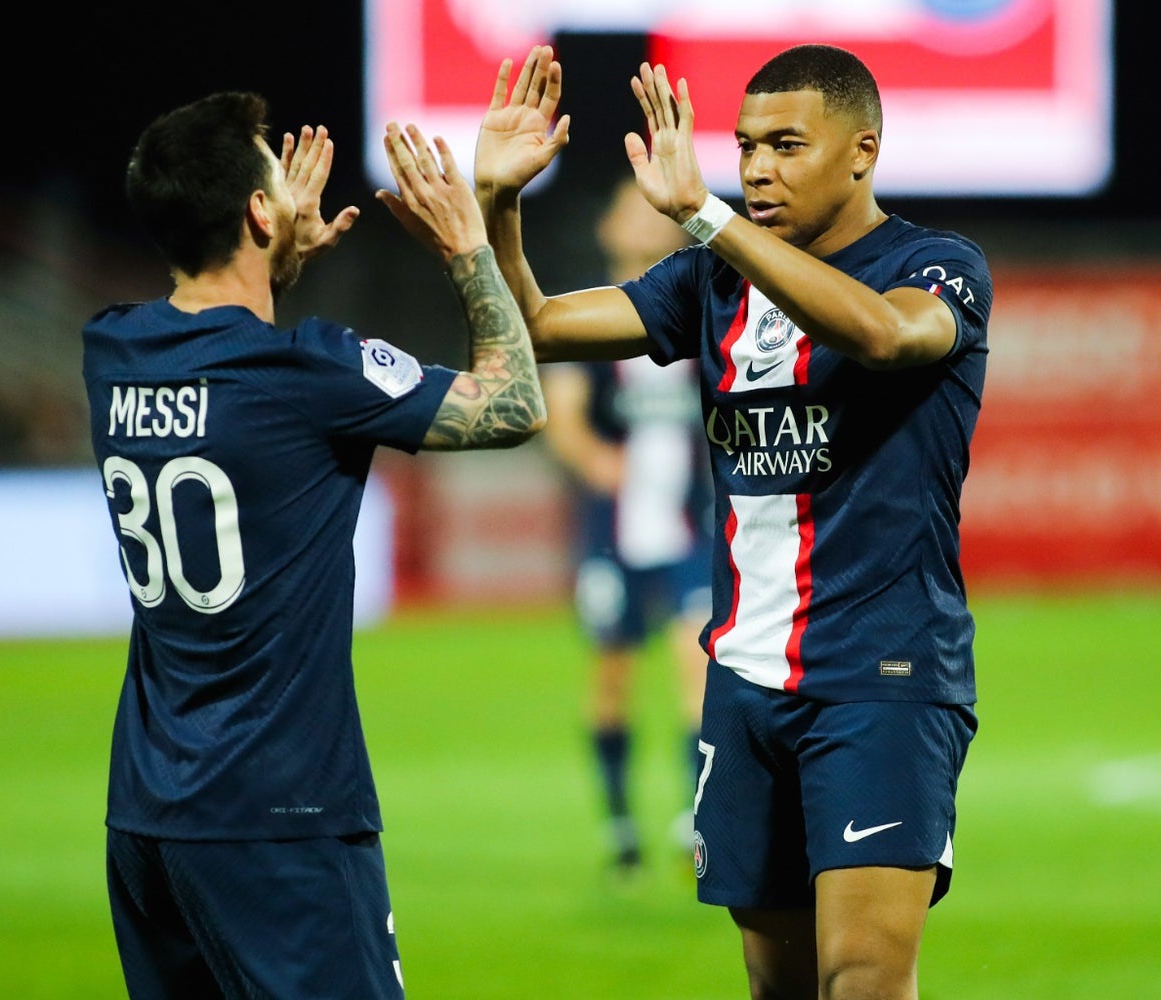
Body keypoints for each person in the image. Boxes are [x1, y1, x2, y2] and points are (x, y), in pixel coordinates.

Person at [473, 44, 991, 999]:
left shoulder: (937, 267)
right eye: (746, 145)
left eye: (788, 144)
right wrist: (498, 204)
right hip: (745, 681)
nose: (756, 167)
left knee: (864, 982)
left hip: (884, 679)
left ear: (862, 151)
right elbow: (535, 327)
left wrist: (703, 218)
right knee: (778, 987)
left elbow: (881, 335)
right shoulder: (707, 285)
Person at [82, 92, 543, 999]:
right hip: (280, 817)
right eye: (270, 181)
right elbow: (516, 402)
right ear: (261, 209)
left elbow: (221, 348)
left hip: (147, 816)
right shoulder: (314, 372)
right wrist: (466, 247)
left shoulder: (113, 350)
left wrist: (271, 259)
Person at [540, 176, 709, 876]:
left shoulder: (701, 311)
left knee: (699, 666)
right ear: (608, 230)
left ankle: (695, 812)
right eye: (627, 210)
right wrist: (589, 455)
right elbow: (564, 413)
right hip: (613, 530)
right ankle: (618, 822)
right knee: (610, 677)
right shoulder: (586, 316)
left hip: (692, 526)